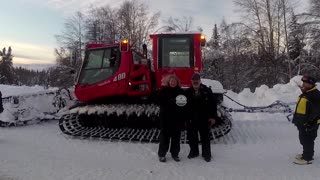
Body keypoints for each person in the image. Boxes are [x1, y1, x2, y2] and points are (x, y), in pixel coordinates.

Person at [185, 73, 218, 162]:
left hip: (204, 118)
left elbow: (213, 105)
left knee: (205, 137)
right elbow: (183, 107)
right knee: (192, 137)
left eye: (197, 79)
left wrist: (213, 117)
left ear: (200, 80)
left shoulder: (207, 91)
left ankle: (206, 154)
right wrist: (185, 118)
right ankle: (194, 152)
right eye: (193, 80)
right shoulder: (187, 92)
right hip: (192, 119)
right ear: (191, 81)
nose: (195, 81)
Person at [157, 74, 187, 163]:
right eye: (171, 81)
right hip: (166, 119)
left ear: (177, 82)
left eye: (174, 81)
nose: (173, 82)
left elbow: (184, 104)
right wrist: (169, 101)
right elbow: (158, 101)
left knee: (176, 138)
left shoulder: (181, 92)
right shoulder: (163, 91)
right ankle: (162, 154)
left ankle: (175, 154)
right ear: (168, 82)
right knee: (164, 138)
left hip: (177, 119)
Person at [292, 75, 320, 165]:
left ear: (311, 84)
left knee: (308, 139)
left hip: (309, 123)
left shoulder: (315, 95)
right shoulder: (307, 92)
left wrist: (310, 123)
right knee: (303, 139)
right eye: (303, 82)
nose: (304, 84)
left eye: (306, 83)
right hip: (302, 122)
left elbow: (317, 112)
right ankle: (307, 154)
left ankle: (307, 158)